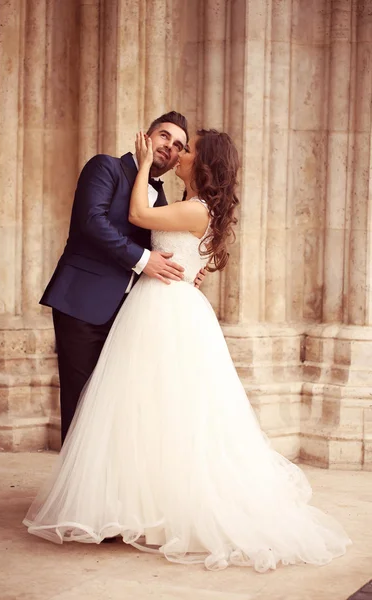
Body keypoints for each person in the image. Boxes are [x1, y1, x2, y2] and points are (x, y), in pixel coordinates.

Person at [24, 129, 351, 572]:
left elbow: (138, 215)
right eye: (171, 142)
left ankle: (159, 504)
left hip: (164, 309)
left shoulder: (193, 208)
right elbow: (152, 238)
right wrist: (188, 269)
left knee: (168, 409)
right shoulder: (186, 204)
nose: (179, 153)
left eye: (188, 148)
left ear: (204, 164)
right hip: (156, 304)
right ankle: (129, 499)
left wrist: (142, 165)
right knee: (145, 408)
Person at [40, 111, 205, 443]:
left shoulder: (161, 199)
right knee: (82, 400)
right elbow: (91, 221)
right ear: (145, 135)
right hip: (82, 303)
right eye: (164, 136)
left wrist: (186, 274)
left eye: (178, 146)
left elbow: (168, 249)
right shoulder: (105, 167)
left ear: (178, 161)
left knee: (115, 404)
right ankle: (79, 491)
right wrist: (144, 260)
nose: (170, 147)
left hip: (129, 315)